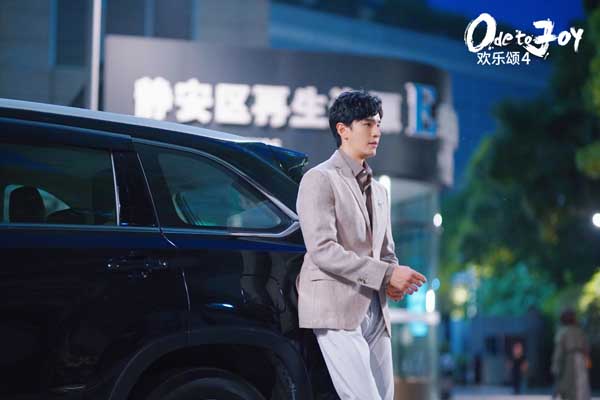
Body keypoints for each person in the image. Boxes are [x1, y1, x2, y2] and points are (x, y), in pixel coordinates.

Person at [295, 90, 427, 399]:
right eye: (368, 124)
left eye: (378, 124)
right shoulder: (319, 179)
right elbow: (323, 249)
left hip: (377, 311)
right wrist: (386, 274)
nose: (376, 132)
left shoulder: (380, 191)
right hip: (335, 307)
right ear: (343, 130)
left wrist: (392, 279)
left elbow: (386, 252)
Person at [551, 309, 591, 400]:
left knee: (568, 387)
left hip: (568, 362)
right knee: (581, 386)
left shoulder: (562, 332)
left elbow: (559, 353)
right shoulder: (580, 331)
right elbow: (586, 348)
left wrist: (555, 367)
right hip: (580, 360)